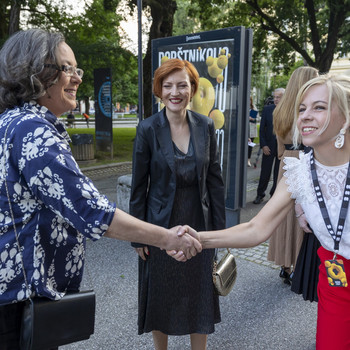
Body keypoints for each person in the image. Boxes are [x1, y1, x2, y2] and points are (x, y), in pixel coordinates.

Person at [0, 29, 201, 349]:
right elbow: (91, 211)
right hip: (19, 301)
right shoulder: (31, 131)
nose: (77, 77)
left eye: (76, 69)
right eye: (66, 68)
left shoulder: (12, 122)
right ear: (35, 71)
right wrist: (166, 238)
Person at [180, 74, 350, 350]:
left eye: (319, 107)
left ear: (346, 118)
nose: (305, 116)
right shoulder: (299, 171)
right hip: (335, 281)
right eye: (302, 108)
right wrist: (196, 238)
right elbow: (256, 228)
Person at [129, 58, 225, 350]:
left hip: (199, 223)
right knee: (162, 294)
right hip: (159, 226)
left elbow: (214, 181)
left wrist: (218, 234)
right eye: (168, 85)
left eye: (182, 85)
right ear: (159, 90)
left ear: (192, 88)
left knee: (200, 296)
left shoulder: (205, 126)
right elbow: (138, 185)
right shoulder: (147, 128)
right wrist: (138, 237)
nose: (175, 91)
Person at [268, 66, 319, 284]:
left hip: (286, 162)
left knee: (284, 214)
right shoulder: (308, 110)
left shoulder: (280, 110)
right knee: (305, 212)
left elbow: (279, 150)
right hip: (307, 161)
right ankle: (300, 265)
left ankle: (284, 266)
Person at [253, 88, 285, 204]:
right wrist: (263, 145)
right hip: (269, 147)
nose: (276, 99)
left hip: (282, 148)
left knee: (278, 173)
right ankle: (260, 194)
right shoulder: (267, 110)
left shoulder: (288, 110)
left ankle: (273, 196)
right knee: (265, 173)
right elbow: (261, 130)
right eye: (275, 97)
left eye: (278, 97)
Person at [247, 96, 259, 167]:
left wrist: (250, 118)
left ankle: (248, 159)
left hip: (251, 129)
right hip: (245, 128)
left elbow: (253, 118)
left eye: (249, 100)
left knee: (250, 145)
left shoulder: (253, 108)